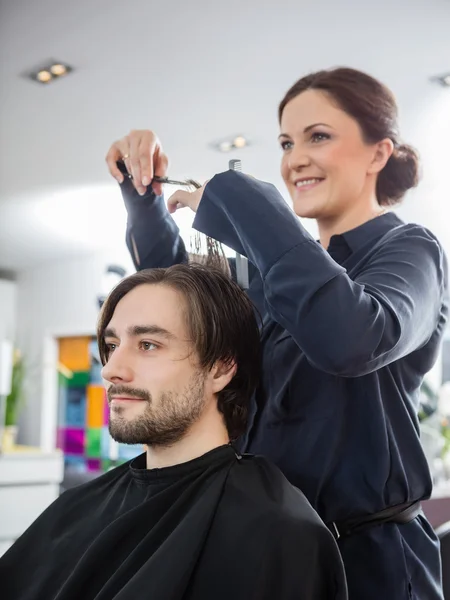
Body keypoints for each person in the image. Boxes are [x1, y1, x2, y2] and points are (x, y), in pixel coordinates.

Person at [105, 67, 449, 599]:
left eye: (319, 136)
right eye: (287, 142)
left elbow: (349, 337)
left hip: (371, 568)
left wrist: (237, 199)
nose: (295, 160)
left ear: (378, 154)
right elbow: (183, 313)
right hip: (268, 555)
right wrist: (142, 194)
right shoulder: (272, 278)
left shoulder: (411, 252)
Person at [0, 264, 348, 600]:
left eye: (148, 344)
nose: (111, 370)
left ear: (221, 368)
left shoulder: (280, 534)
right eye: (111, 346)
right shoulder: (74, 508)